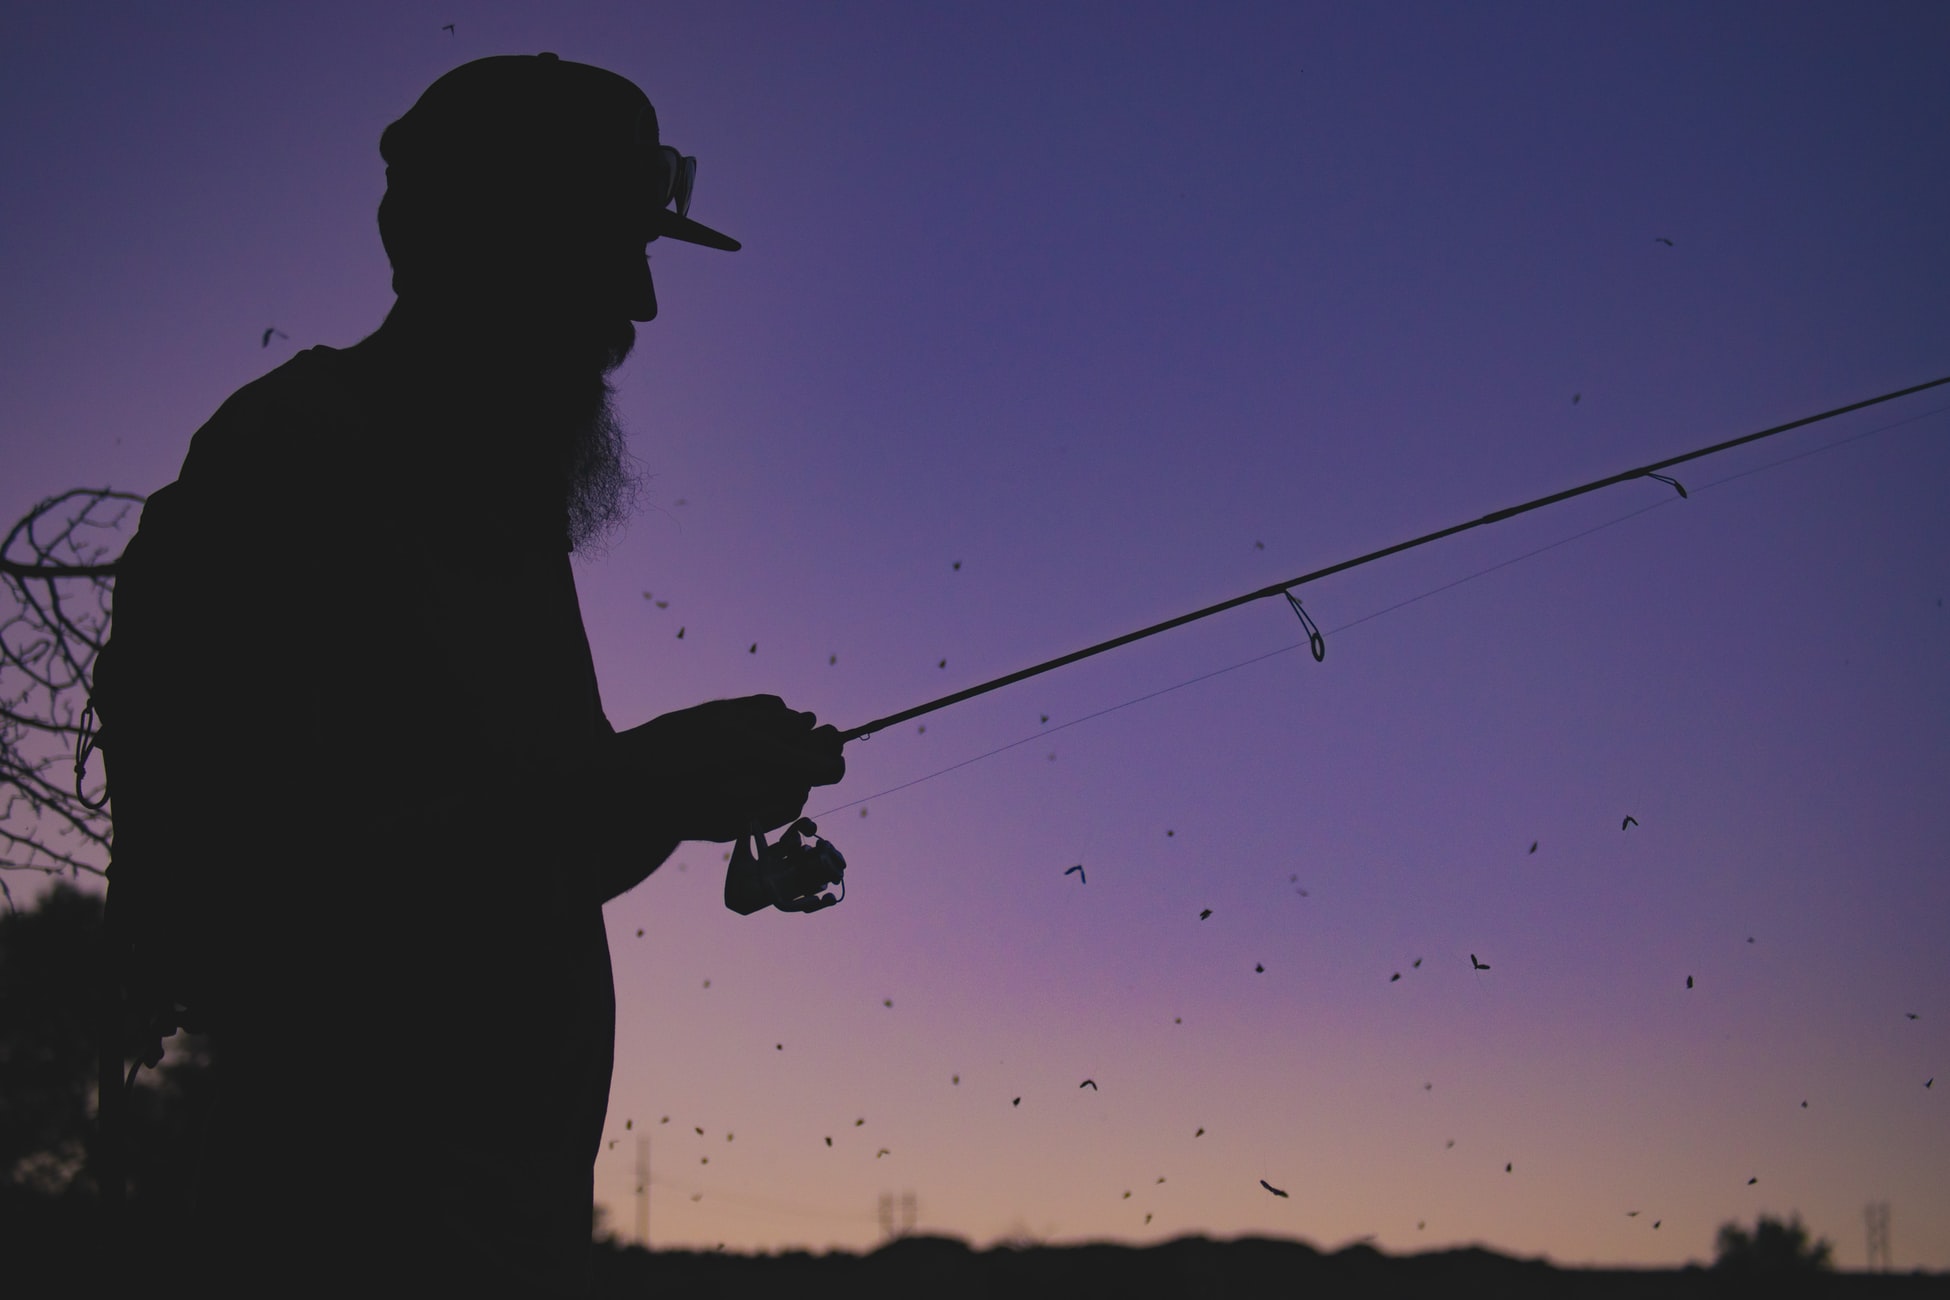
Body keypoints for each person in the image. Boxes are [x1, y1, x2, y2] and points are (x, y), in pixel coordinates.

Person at [93, 54, 843, 1295]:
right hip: (325, 1235)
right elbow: (259, 899)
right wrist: (652, 785)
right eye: (612, 251)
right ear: (490, 245)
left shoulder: (480, 497)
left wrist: (667, 779)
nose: (642, 307)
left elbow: (505, 833)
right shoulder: (299, 468)